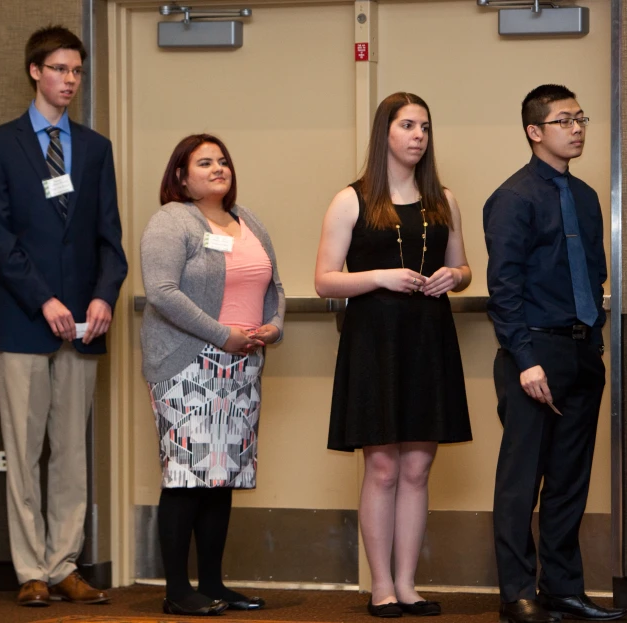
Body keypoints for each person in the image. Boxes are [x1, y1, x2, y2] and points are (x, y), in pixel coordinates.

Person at [0, 26, 127, 607]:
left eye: (77, 72)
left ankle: (65, 564)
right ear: (35, 71)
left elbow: (107, 237)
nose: (70, 81)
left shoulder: (94, 149)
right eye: (60, 69)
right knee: (24, 448)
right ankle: (30, 570)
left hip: (86, 325)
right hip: (24, 319)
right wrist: (44, 299)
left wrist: (103, 296)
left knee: (71, 452)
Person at [315, 92, 472, 618]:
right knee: (382, 467)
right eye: (408, 125)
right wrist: (379, 276)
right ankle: (380, 586)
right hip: (374, 340)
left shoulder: (443, 199)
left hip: (428, 337)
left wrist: (457, 276)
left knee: (418, 469)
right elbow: (323, 279)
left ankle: (408, 584)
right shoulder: (351, 198)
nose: (418, 136)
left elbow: (464, 268)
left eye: (425, 127)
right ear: (385, 132)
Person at [483, 84, 625, 623]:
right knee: (522, 479)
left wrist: (594, 337)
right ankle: (517, 592)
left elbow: (593, 273)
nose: (578, 128)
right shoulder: (514, 198)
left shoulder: (586, 198)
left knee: (570, 477)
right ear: (535, 131)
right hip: (533, 352)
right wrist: (526, 360)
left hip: (581, 351)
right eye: (565, 120)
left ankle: (563, 588)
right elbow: (505, 288)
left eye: (581, 118)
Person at [140, 133, 285, 617]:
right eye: (205, 163)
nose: (218, 168)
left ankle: (214, 584)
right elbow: (161, 291)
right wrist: (222, 334)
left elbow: (275, 287)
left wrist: (274, 326)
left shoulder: (249, 221)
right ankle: (177, 591)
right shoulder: (172, 221)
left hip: (242, 366)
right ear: (181, 176)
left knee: (220, 479)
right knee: (187, 476)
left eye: (222, 160)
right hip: (188, 364)